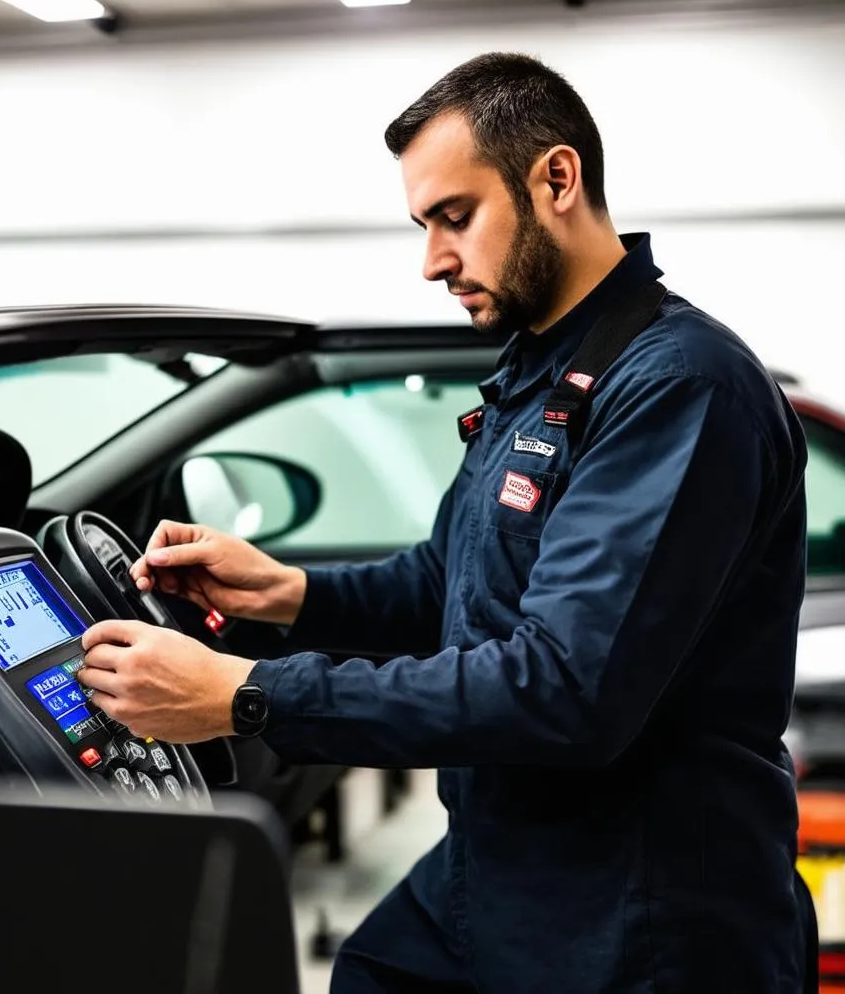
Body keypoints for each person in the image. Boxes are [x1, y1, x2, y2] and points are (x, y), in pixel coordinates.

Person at [77, 53, 811, 992]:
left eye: (455, 218)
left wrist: (247, 693)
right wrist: (286, 593)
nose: (432, 260)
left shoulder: (677, 387)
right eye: (424, 225)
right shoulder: (540, 370)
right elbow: (448, 583)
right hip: (498, 868)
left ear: (556, 179)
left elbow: (563, 688)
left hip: (637, 911)